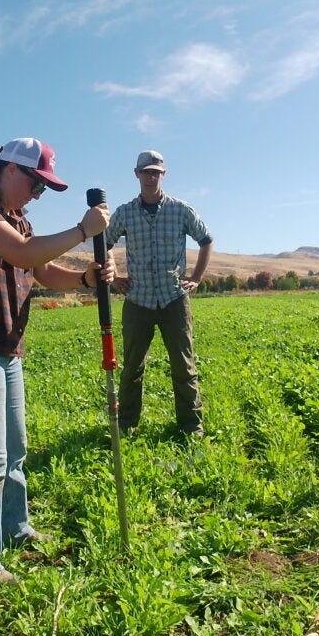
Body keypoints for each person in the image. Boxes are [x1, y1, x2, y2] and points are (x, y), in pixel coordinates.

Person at [0, 138, 113, 584]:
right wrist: (82, 230)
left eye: (44, 190)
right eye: (37, 185)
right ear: (10, 170)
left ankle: (15, 529)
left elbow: (40, 271)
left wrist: (86, 277)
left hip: (5, 349)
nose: (38, 195)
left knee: (14, 452)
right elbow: (23, 255)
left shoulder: (18, 221)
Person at [107, 150, 213, 438]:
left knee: (184, 366)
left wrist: (197, 278)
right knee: (132, 368)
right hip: (138, 300)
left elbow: (206, 240)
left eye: (156, 172)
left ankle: (192, 427)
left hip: (173, 299)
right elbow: (104, 242)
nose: (151, 176)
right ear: (137, 174)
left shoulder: (181, 210)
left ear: (163, 175)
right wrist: (114, 277)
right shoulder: (125, 212)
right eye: (146, 171)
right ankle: (127, 425)